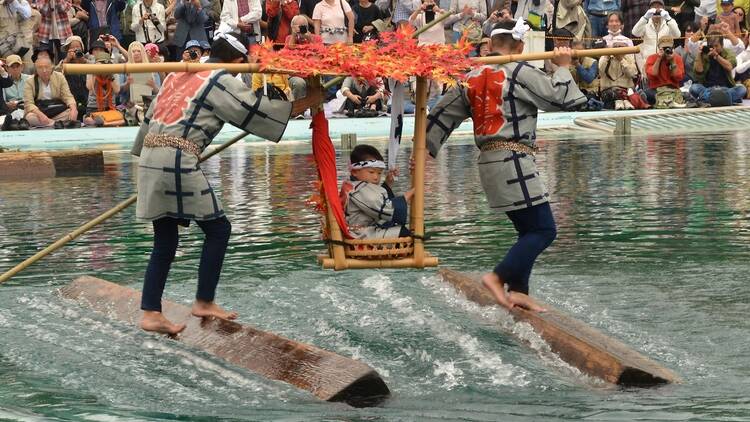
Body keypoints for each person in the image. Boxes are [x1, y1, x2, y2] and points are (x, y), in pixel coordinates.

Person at [130, 30, 322, 334]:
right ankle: (204, 300)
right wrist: (313, 98)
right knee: (219, 229)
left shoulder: (177, 73)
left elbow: (146, 125)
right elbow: (259, 113)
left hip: (150, 159)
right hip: (176, 160)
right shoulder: (220, 79)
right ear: (236, 61)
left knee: (165, 241)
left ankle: (151, 312)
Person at [425, 19, 587, 311]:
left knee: (530, 230)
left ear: (488, 45)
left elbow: (440, 115)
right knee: (544, 230)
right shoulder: (520, 70)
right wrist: (563, 65)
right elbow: (562, 100)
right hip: (513, 160)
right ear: (521, 47)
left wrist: (423, 151)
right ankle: (498, 277)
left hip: (489, 163)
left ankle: (518, 290)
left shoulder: (470, 76)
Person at [342, 144, 415, 239]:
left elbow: (379, 202)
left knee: (414, 228)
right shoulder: (360, 190)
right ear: (355, 171)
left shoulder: (357, 186)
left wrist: (388, 184)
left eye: (379, 173)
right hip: (360, 234)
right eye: (371, 172)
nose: (376, 177)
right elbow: (385, 207)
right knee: (405, 231)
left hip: (367, 230)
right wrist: (411, 192)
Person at [690, 30, 747, 103]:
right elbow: (699, 71)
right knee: (694, 88)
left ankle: (707, 98)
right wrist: (699, 54)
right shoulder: (703, 54)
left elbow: (729, 67)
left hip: (726, 88)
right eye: (711, 46)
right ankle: (727, 98)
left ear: (722, 45)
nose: (714, 48)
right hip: (708, 88)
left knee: (742, 89)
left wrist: (716, 56)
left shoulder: (728, 52)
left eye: (716, 46)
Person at [23, 55, 78, 127]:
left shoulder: (60, 77)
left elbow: (67, 96)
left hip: (56, 109)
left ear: (52, 67)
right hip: (39, 111)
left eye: (46, 67)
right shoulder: (29, 81)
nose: (44, 70)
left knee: (70, 112)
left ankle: (50, 123)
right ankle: (56, 124)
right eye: (40, 68)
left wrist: (74, 109)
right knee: (29, 118)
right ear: (36, 69)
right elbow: (28, 104)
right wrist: (41, 115)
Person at [645, 36, 687, 107]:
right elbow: (652, 75)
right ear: (659, 48)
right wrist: (659, 59)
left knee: (686, 94)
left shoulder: (677, 58)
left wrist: (672, 61)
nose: (666, 50)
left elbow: (678, 77)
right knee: (647, 94)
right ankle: (669, 101)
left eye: (668, 48)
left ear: (672, 48)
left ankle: (667, 100)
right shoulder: (652, 58)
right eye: (664, 48)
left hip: (673, 89)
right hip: (656, 89)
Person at [599, 35, 639, 108]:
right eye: (617, 47)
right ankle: (624, 101)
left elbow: (633, 74)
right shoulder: (605, 57)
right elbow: (601, 71)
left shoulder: (629, 58)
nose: (619, 49)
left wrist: (622, 60)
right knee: (611, 95)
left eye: (622, 47)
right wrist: (607, 56)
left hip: (626, 90)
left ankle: (623, 101)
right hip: (609, 91)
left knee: (631, 94)